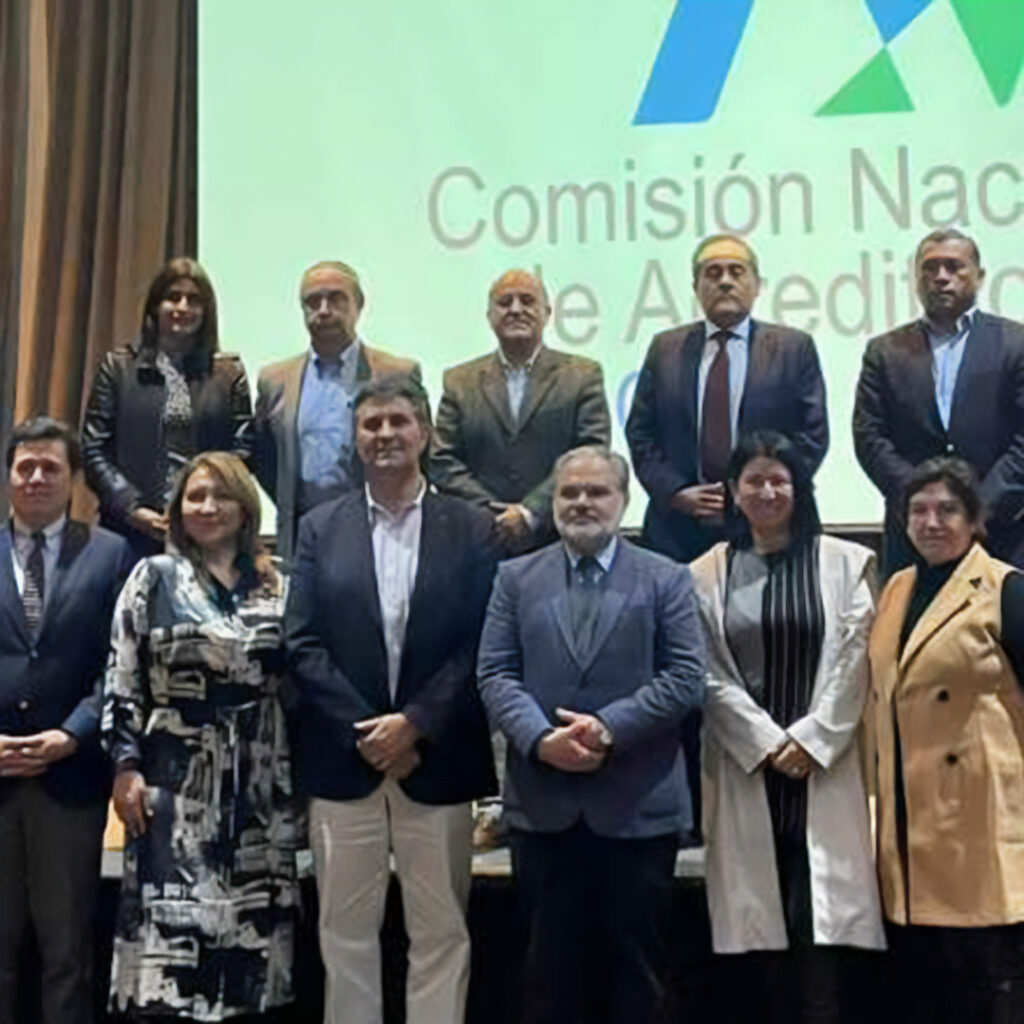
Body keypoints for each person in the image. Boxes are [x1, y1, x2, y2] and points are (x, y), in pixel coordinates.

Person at [285, 374, 497, 1024]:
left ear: (424, 432)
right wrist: (370, 732)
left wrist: (416, 724)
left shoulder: (472, 528)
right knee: (344, 935)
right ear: (354, 439)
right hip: (343, 762)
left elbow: (481, 641)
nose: (384, 435)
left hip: (437, 759)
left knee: (441, 932)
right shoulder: (320, 527)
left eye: (398, 421)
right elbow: (302, 640)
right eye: (371, 424)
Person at [477, 444, 706, 1024]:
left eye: (597, 491)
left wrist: (607, 729)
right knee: (549, 980)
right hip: (544, 810)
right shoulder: (514, 578)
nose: (582, 502)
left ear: (623, 501)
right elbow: (495, 673)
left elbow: (685, 677)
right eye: (569, 492)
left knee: (641, 979)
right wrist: (539, 740)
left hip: (638, 810)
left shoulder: (667, 577)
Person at [689, 431, 884, 1024]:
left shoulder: (846, 562)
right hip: (748, 765)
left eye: (779, 479)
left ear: (800, 488)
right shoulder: (704, 573)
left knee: (819, 932)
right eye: (754, 480)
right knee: (760, 942)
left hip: (824, 765)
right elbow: (705, 671)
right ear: (733, 490)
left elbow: (856, 659)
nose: (767, 491)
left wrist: (811, 739)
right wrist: (769, 743)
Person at [102, 451, 301, 1022]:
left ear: (246, 507)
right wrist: (125, 765)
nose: (208, 507)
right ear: (178, 509)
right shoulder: (152, 577)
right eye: (195, 497)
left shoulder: (278, 583)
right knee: (172, 942)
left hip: (259, 784)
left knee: (252, 948)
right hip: (173, 783)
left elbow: (300, 683)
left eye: (222, 496)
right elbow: (122, 676)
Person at [869, 457, 1024, 1023]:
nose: (931, 522)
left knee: (984, 984)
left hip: (978, 817)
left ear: (974, 518)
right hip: (910, 818)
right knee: (924, 990)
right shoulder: (896, 588)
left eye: (947, 510)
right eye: (919, 510)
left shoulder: (1006, 588)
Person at [0, 416, 131, 1024]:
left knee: (67, 956)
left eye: (50, 467)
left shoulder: (111, 555)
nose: (36, 477)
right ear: (8, 476)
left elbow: (120, 665)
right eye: (24, 466)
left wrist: (71, 733)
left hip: (70, 780)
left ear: (75, 479)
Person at [626, 233, 829, 564]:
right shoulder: (665, 348)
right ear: (696, 287)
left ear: (757, 285)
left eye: (736, 271)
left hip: (771, 524)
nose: (724, 281)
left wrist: (756, 493)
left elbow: (812, 435)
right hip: (678, 528)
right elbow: (641, 433)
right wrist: (674, 492)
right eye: (712, 273)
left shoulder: (793, 348)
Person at [853, 228, 1024, 576]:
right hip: (913, 538)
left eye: (954, 266)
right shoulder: (885, 351)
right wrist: (923, 505)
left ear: (979, 276)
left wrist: (978, 508)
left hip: (1000, 533)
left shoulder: (1016, 343)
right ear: (916, 280)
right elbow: (869, 436)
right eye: (930, 268)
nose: (941, 277)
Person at [82, 257, 252, 563]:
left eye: (194, 300)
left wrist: (204, 506)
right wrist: (132, 508)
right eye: (173, 297)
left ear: (207, 311)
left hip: (208, 532)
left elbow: (242, 451)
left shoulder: (229, 375)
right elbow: (94, 449)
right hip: (128, 532)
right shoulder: (118, 369)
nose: (183, 307)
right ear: (154, 307)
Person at [252, 260, 422, 563]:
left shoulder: (397, 373)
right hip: (302, 536)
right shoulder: (275, 380)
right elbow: (263, 458)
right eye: (312, 301)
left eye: (336, 298)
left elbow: (423, 453)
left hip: (382, 531)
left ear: (359, 304)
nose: (324, 310)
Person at [432, 268, 611, 554]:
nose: (516, 310)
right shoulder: (459, 381)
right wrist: (493, 515)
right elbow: (441, 459)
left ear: (547, 313)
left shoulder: (582, 375)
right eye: (505, 302)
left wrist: (531, 512)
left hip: (557, 539)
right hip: (480, 540)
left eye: (527, 301)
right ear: (489, 316)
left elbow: (590, 452)